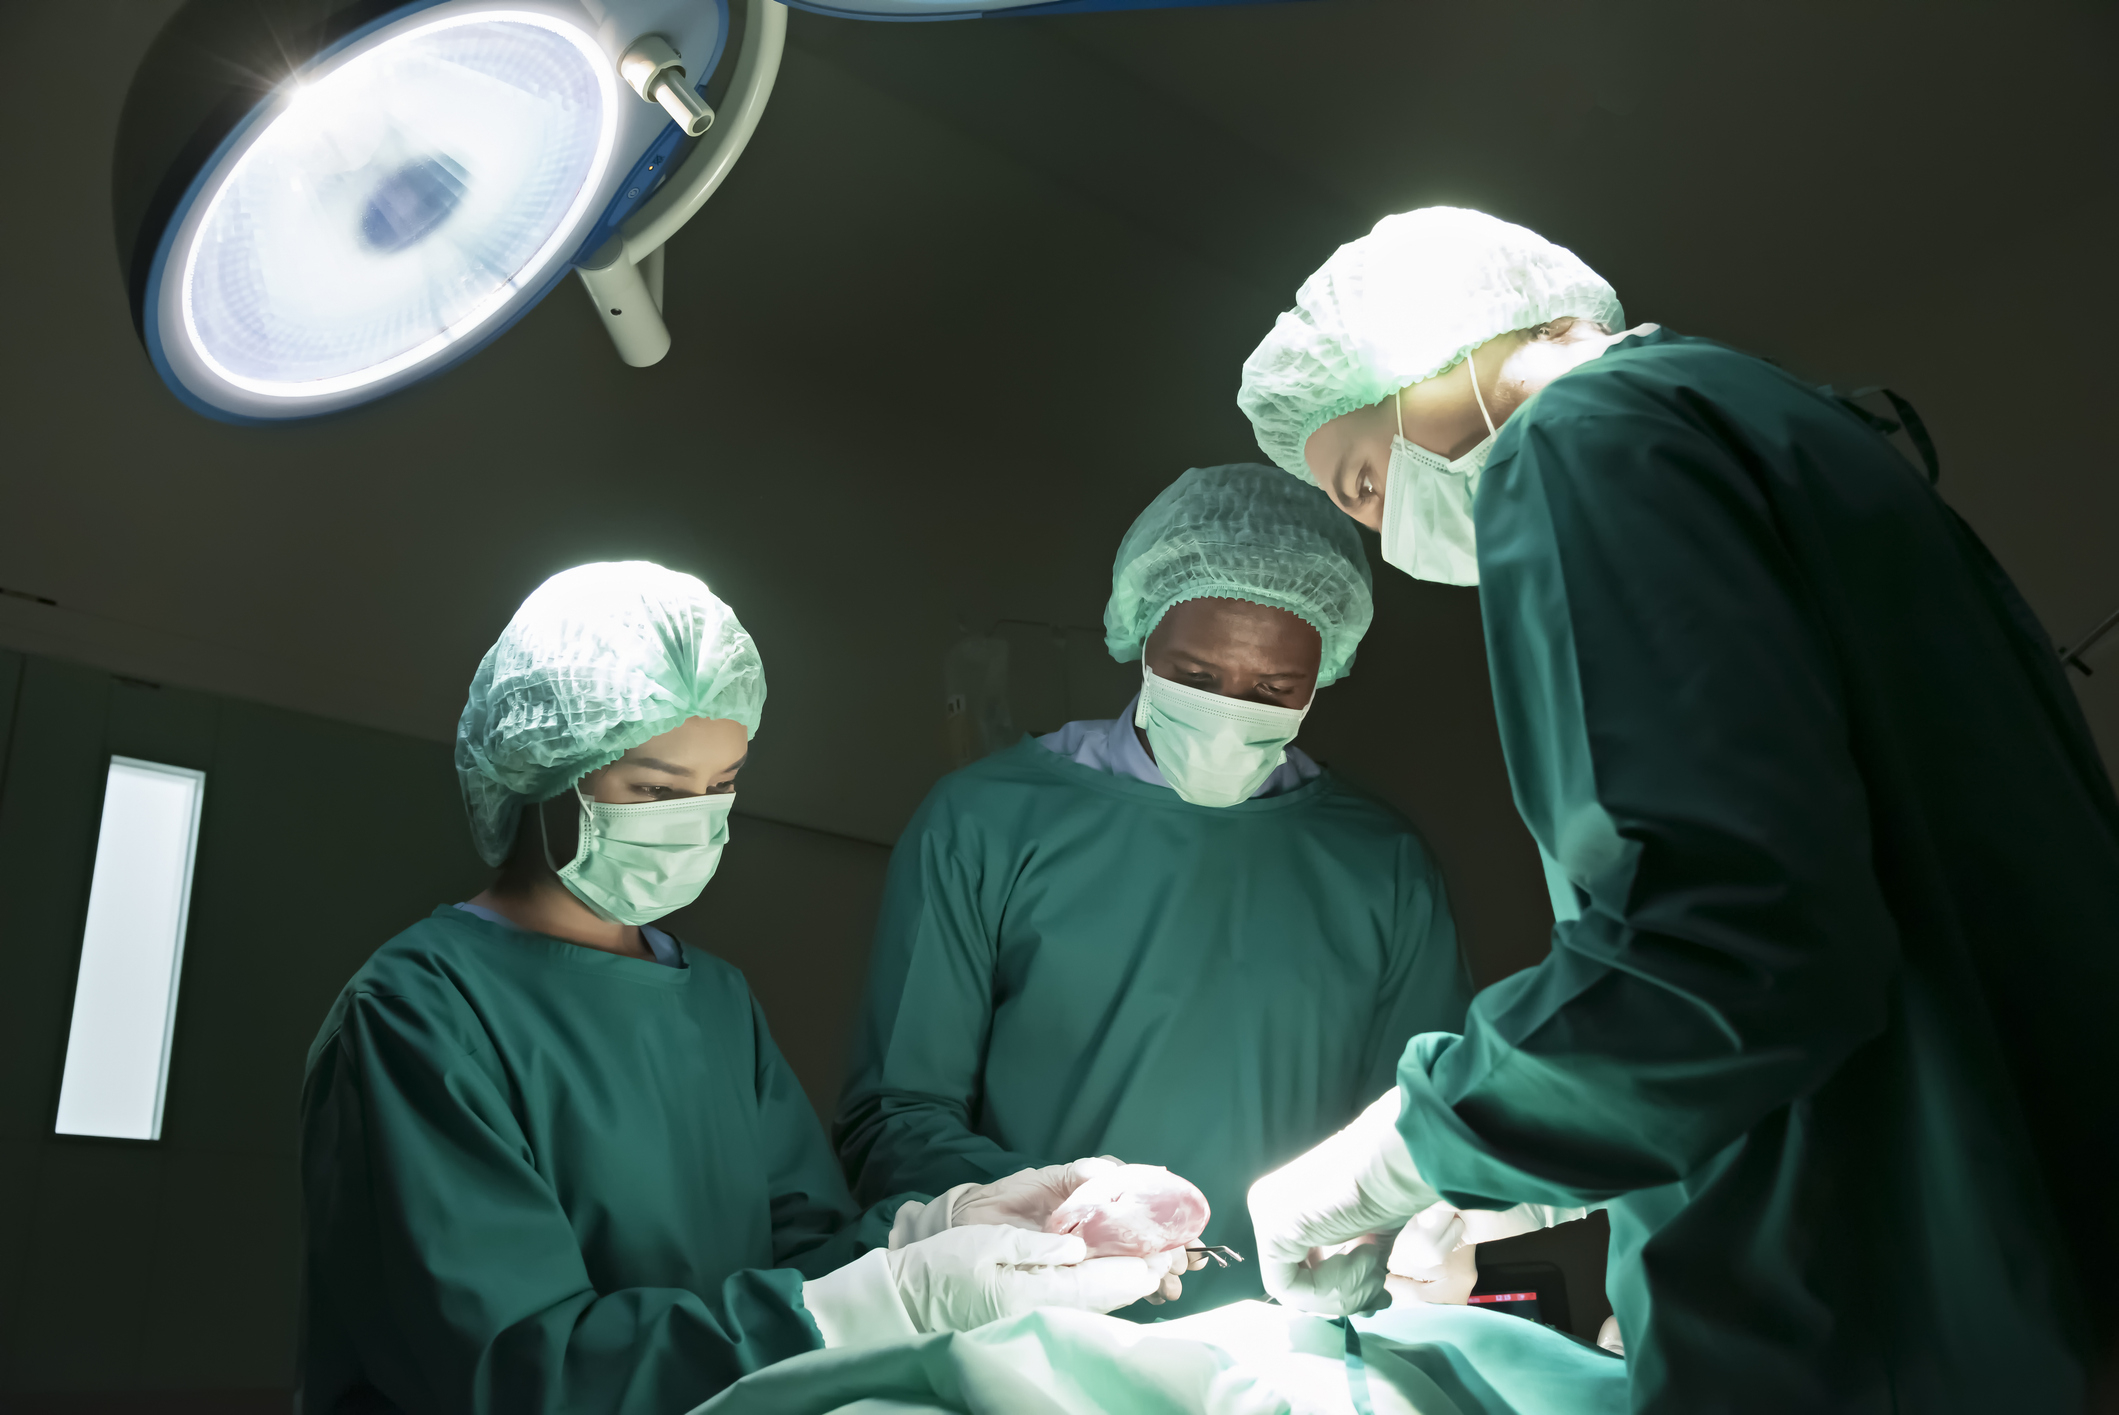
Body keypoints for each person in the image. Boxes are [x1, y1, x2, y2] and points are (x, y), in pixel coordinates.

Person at [1238, 208, 2119, 1411]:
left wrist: (1402, 1150)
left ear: (1432, 354)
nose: (1375, 523)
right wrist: (1535, 1162)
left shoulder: (1585, 440)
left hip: (1903, 1330)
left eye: (1358, 480)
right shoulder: (1783, 430)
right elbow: (1860, 905)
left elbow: (1717, 950)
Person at [297, 561, 1174, 1415]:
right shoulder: (418, 1012)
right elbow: (518, 1369)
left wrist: (944, 1226)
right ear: (542, 767)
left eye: (721, 785)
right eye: (655, 787)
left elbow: (802, 1259)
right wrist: (892, 1299)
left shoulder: (711, 998)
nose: (695, 819)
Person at [834, 464, 1476, 1318]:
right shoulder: (986, 823)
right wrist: (1051, 1220)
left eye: (1272, 691)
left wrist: (1418, 1232)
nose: (1229, 710)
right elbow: (898, 1118)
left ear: (1322, 675)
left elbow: (1427, 1123)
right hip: (1035, 1330)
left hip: (1287, 1339)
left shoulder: (1380, 863)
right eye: (1197, 677)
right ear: (1142, 637)